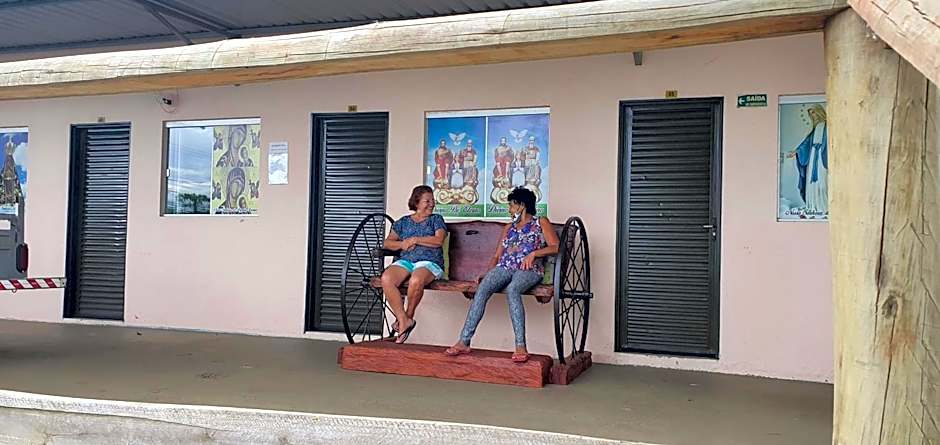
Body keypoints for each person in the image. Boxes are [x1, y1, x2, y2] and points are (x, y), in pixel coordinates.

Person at [445, 187, 558, 362]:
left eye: (511, 205)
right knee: (482, 289)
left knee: (513, 290)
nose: (509, 209)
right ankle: (464, 341)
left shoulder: (540, 222)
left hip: (529, 269)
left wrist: (534, 254)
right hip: (505, 267)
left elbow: (555, 247)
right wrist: (487, 273)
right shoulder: (509, 227)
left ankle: (521, 346)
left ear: (521, 205)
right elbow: (497, 255)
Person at [381, 185, 447, 343]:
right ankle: (403, 319)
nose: (432, 203)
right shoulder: (403, 222)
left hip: (429, 262)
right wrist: (401, 244)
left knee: (416, 280)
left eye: (433, 200)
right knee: (386, 279)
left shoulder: (436, 220)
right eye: (427, 200)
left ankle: (407, 318)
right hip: (406, 261)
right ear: (416, 202)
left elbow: (438, 240)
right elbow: (387, 243)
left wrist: (416, 239)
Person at [786, 104, 828, 217]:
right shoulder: (814, 130)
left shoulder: (828, 126)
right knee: (811, 183)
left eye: (813, 112)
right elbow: (805, 144)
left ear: (819, 112)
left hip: (823, 157)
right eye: (810, 114)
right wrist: (796, 151)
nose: (812, 116)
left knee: (823, 182)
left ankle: (824, 206)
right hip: (813, 156)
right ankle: (814, 206)